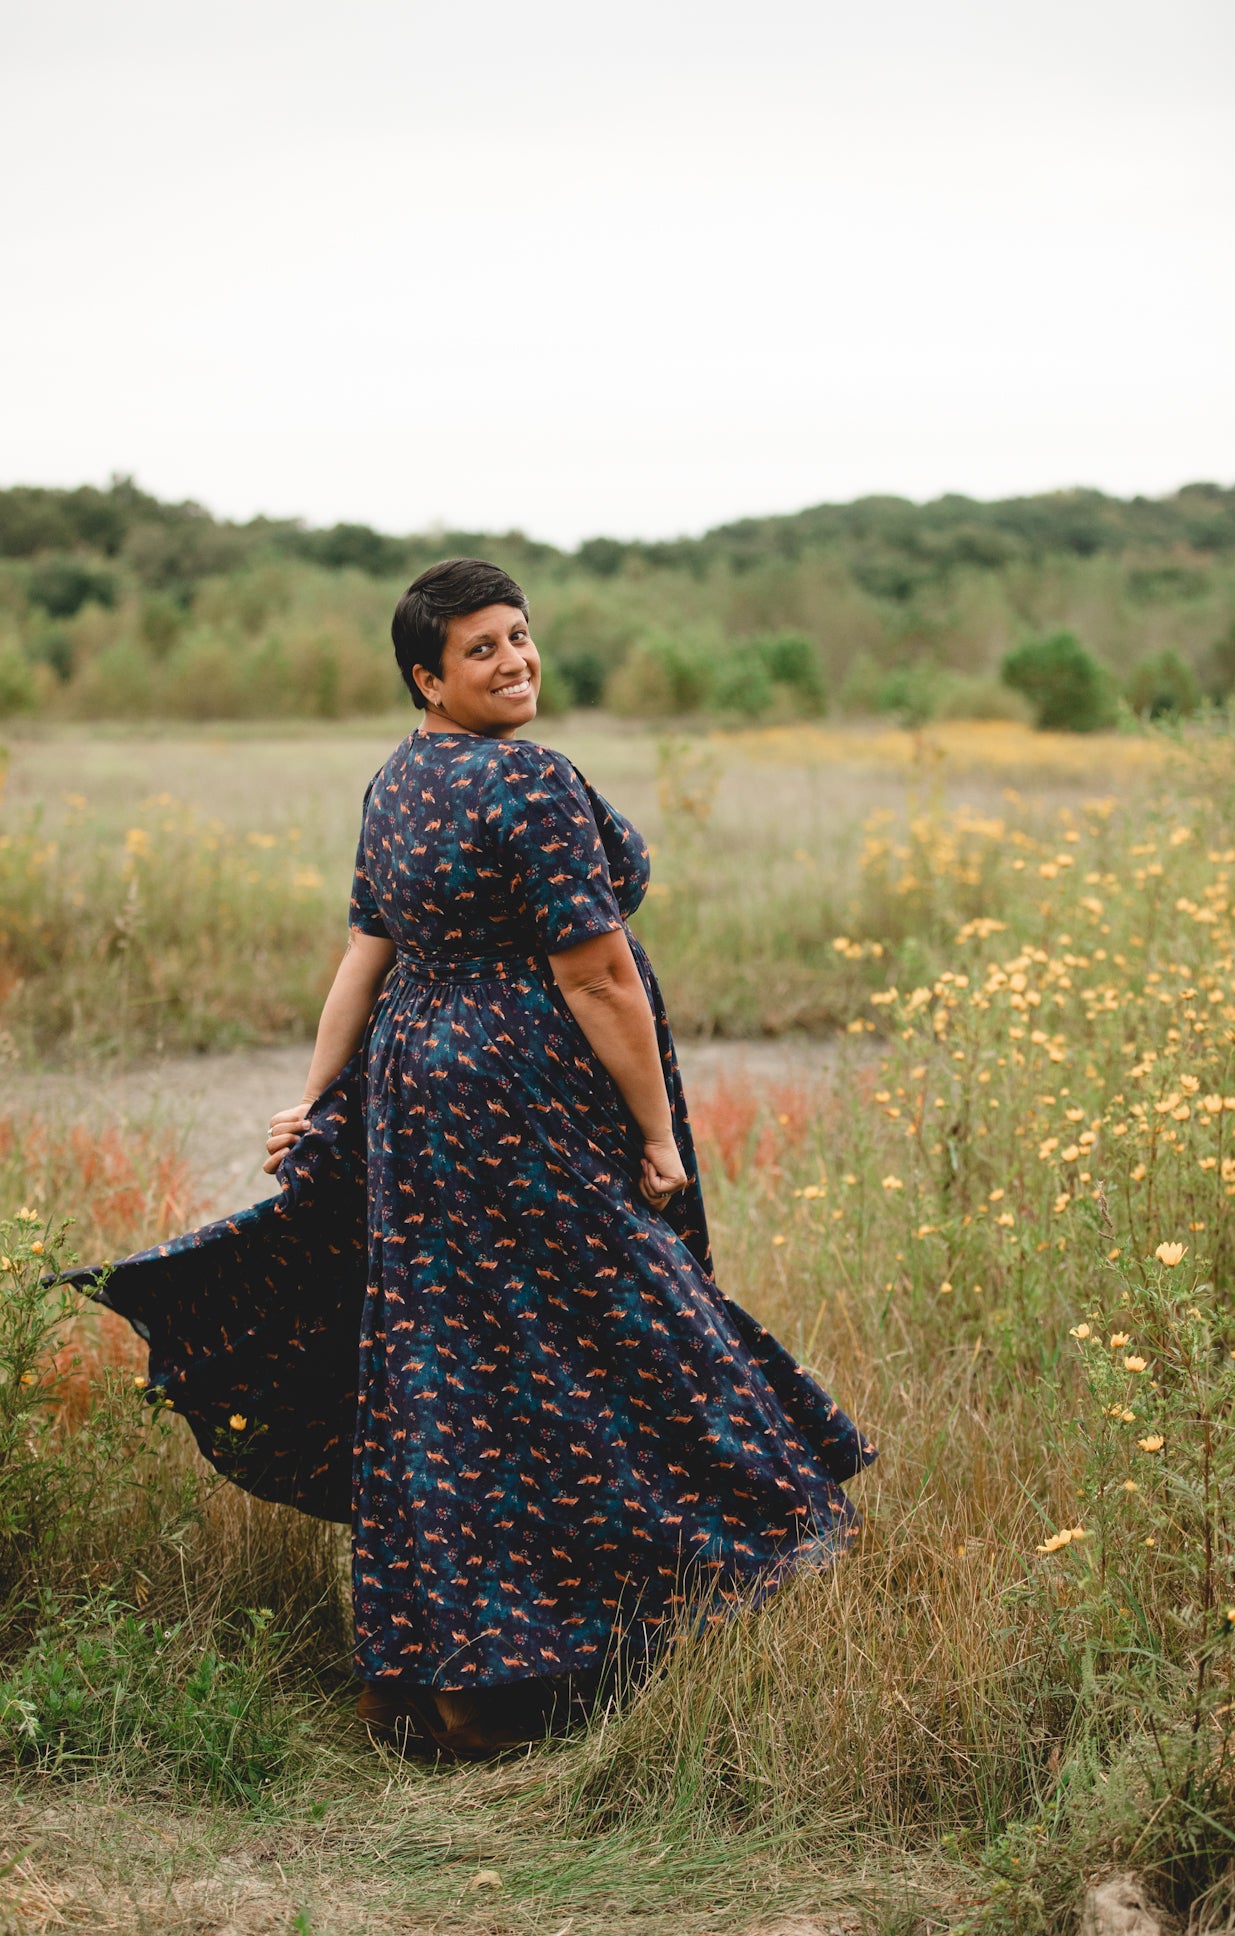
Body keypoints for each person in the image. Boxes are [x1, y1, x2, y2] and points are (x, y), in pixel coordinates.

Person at [63, 559, 875, 1759]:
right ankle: (713, 1563)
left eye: (520, 636)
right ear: (427, 677)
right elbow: (595, 974)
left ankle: (442, 1684)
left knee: (450, 1365)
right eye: (482, 649)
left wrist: (328, 1095)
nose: (514, 661)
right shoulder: (530, 781)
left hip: (418, 1087)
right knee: (629, 1320)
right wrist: (654, 1131)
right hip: (521, 1089)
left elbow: (366, 959)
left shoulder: (397, 780)